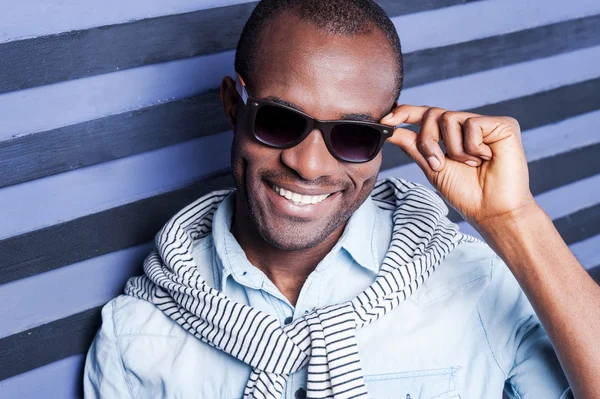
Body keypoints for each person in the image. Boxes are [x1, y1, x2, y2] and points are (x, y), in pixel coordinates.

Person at [83, 1, 600, 398]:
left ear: (386, 134)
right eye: (279, 121)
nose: (309, 165)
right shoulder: (139, 332)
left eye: (352, 134)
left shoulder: (477, 282)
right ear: (232, 106)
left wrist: (514, 219)